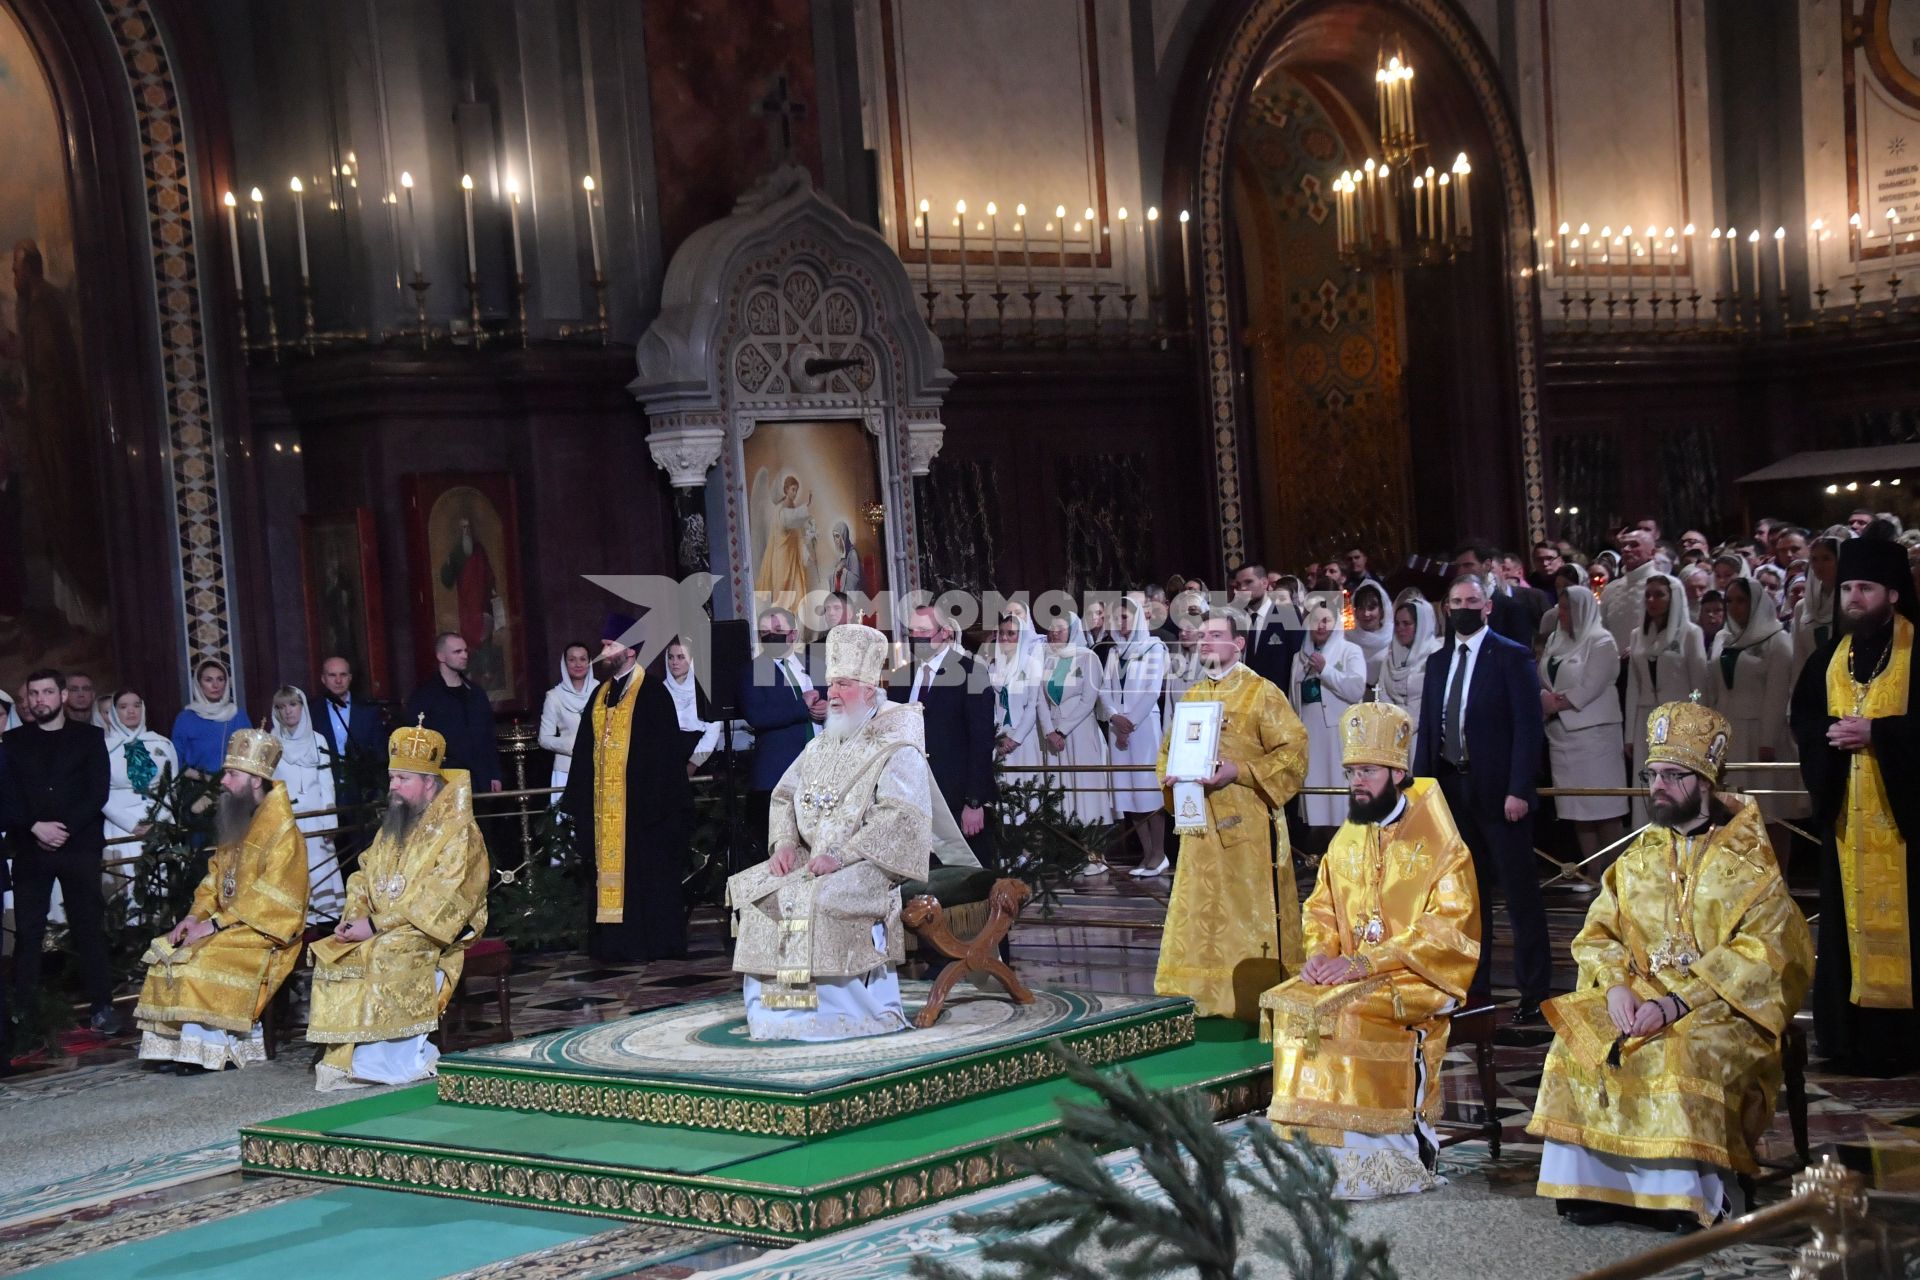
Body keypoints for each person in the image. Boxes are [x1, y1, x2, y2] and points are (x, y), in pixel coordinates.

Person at [1529, 700, 1812, 1229]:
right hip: (1637, 998)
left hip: (1720, 1008)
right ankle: (1597, 1188)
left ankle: (1691, 1192)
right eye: (1652, 774)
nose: (1657, 786)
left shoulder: (1749, 865)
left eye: (1672, 776)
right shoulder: (1639, 857)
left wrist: (1679, 1001)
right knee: (1578, 1040)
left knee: (1680, 1052)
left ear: (1705, 781)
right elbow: (1598, 933)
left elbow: (1771, 952)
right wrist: (1615, 988)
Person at [1262, 701, 1480, 1198]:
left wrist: (1364, 962)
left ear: (1398, 773)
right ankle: (1318, 1155)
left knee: (1349, 1012)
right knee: (1295, 1003)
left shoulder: (1443, 845)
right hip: (1348, 970)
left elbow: (1449, 931)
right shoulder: (1346, 839)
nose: (1357, 782)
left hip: (1417, 976)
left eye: (1368, 771)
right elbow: (1320, 909)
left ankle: (1388, 1157)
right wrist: (1318, 954)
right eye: (1352, 771)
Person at [728, 624, 950, 1040]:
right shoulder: (821, 743)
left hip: (870, 864)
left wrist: (843, 857)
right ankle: (782, 1014)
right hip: (813, 859)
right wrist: (784, 843)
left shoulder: (897, 743)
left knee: (815, 897)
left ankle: (836, 1016)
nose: (832, 693)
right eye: (831, 683)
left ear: (869, 689)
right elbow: (783, 796)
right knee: (758, 890)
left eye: (844, 684)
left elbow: (901, 817)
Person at [1790, 535, 1920, 1074]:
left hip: (1906, 827)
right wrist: (1832, 737)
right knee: (1848, 934)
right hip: (1849, 823)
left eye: (1864, 588)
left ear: (1892, 593)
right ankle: (1851, 1039)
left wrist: (1881, 735)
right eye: (1846, 588)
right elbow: (1804, 721)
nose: (1852, 599)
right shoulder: (1827, 659)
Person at [308, 720, 490, 1089]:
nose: (392, 786)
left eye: (402, 779)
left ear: (428, 782)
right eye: (391, 778)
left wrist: (375, 926)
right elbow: (363, 872)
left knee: (384, 952)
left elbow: (444, 899)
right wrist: (356, 915)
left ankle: (392, 1060)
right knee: (335, 953)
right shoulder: (395, 822)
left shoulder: (459, 831)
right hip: (380, 922)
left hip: (433, 932)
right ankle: (348, 1055)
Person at [1155, 612, 1308, 1020]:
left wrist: (1239, 771)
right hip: (1198, 828)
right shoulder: (1192, 696)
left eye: (1216, 635)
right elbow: (1167, 752)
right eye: (1202, 636)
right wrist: (1171, 779)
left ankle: (1251, 997)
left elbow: (1294, 750)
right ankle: (1199, 997)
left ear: (1238, 644)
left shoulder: (1262, 693)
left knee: (1246, 914)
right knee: (1200, 913)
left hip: (1249, 830)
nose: (1205, 642)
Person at [1414, 573, 1550, 1020]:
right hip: (1453, 791)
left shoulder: (1511, 657)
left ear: (1487, 606)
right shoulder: (1437, 662)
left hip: (1501, 795)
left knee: (1519, 896)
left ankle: (1535, 995)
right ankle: (1477, 989)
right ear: (1446, 608)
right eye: (1455, 601)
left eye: (1472, 600)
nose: (1464, 608)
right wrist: (1422, 792)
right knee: (1468, 900)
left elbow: (1529, 730)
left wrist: (1519, 789)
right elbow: (1429, 728)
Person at [133, 728, 308, 1072]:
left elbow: (276, 899)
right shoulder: (238, 818)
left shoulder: (283, 833)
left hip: (265, 931)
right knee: (169, 951)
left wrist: (215, 924)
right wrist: (195, 918)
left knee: (202, 960)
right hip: (226, 924)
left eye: (231, 774)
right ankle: (177, 1046)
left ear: (256, 781)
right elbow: (215, 877)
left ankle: (214, 1051)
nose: (223, 781)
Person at [561, 614, 698, 961]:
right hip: (606, 811)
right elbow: (583, 751)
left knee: (646, 877)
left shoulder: (651, 693)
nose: (603, 651)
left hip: (642, 811)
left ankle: (651, 943)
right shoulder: (600, 694)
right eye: (605, 644)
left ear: (631, 651)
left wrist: (648, 802)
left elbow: (663, 756)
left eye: (610, 645)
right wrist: (579, 799)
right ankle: (614, 944)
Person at [5, 670, 118, 1032]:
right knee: (29, 933)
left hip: (79, 846)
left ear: (63, 696)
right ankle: (24, 1014)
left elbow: (96, 791)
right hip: (30, 848)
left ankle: (102, 1006)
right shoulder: (12, 741)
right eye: (34, 694)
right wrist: (34, 826)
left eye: (48, 692)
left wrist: (61, 830)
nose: (40, 700)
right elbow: (6, 794)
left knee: (88, 928)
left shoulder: (89, 737)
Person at [892, 603, 997, 865]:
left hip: (956, 797)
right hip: (913, 796)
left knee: (967, 878)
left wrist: (974, 802)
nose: (917, 637)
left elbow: (981, 741)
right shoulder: (901, 677)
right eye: (912, 632)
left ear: (946, 632)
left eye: (924, 630)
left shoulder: (972, 672)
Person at [1540, 586, 1629, 864]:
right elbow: (1542, 674)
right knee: (1577, 810)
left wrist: (1557, 703)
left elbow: (1591, 685)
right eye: (1561, 607)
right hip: (1560, 735)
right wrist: (1544, 698)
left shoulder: (1602, 641)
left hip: (1595, 737)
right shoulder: (1555, 638)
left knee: (1603, 809)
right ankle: (1591, 874)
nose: (1561, 613)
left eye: (1567, 608)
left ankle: (1614, 877)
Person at [1709, 578, 1795, 829]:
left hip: (1761, 734)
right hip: (1728, 733)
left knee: (1770, 811)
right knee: (1732, 811)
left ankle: (1778, 868)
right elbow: (1712, 687)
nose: (1734, 607)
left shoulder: (1777, 640)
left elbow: (1777, 694)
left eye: (1741, 601)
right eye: (1729, 601)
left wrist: (1767, 741)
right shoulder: (1722, 638)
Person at [1626, 574, 1710, 824]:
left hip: (1680, 723)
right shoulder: (1637, 635)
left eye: (1659, 594)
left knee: (1678, 785)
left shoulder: (1690, 634)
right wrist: (1629, 736)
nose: (1652, 600)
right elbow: (1633, 686)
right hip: (1645, 721)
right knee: (1648, 783)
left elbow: (1699, 685)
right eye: (1648, 594)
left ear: (1673, 597)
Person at [742, 608, 825, 859]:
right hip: (779, 773)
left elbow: (837, 697)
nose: (771, 637)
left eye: (777, 631)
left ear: (793, 634)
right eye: (765, 633)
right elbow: (759, 714)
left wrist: (826, 710)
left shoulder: (815, 664)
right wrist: (804, 708)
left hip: (822, 769)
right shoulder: (758, 669)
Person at [1098, 594, 1170, 874]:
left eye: (1125, 616)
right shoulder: (1115, 651)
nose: (1120, 621)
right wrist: (1115, 717)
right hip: (1119, 729)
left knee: (1149, 793)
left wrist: (1130, 722)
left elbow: (1153, 690)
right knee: (1129, 795)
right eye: (1116, 617)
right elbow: (1103, 689)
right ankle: (1147, 854)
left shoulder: (1154, 647)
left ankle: (1159, 854)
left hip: (1143, 729)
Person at [1292, 604, 1367, 836]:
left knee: (1338, 790)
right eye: (1316, 621)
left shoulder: (1350, 651)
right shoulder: (1299, 657)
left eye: (1326, 620)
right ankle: (1317, 847)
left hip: (1337, 734)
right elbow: (1292, 697)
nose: (1320, 626)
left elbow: (1355, 689)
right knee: (1314, 793)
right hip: (1309, 733)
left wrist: (1325, 670)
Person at [269, 686, 343, 920]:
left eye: (292, 704)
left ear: (302, 706)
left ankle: (322, 924)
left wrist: (330, 821)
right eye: (281, 707)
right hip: (287, 821)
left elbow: (326, 783)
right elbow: (269, 786)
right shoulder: (271, 742)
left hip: (316, 821)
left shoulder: (317, 739)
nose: (287, 712)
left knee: (321, 874)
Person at [1038, 614, 1112, 834]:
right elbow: (1040, 699)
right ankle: (1068, 851)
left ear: (1073, 631)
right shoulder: (1048, 660)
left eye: (1059, 629)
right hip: (1054, 735)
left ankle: (1092, 852)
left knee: (1085, 788)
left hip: (1079, 731)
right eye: (1051, 629)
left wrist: (1062, 730)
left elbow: (1088, 700)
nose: (1053, 633)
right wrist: (1049, 731)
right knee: (1062, 791)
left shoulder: (1087, 657)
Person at [404, 633, 502, 793]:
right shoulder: (425, 697)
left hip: (479, 778)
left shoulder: (476, 693)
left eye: (465, 651)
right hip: (444, 780)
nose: (464, 656)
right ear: (441, 656)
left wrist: (494, 774)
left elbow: (488, 737)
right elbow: (418, 742)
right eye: (457, 652)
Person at [985, 612, 1044, 826]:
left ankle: (1031, 855)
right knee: (1003, 795)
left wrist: (1014, 739)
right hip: (999, 739)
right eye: (1001, 633)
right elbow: (990, 706)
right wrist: (998, 736)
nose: (1005, 638)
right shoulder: (992, 666)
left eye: (1011, 634)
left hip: (1024, 740)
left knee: (1027, 796)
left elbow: (1031, 708)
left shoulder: (1031, 665)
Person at [103, 690, 179, 842]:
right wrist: (131, 824)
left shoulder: (162, 743)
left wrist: (163, 818)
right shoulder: (103, 749)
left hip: (162, 820)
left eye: (136, 706)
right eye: (123, 707)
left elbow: (173, 785)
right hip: (121, 825)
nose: (131, 711)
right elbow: (99, 794)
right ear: (113, 712)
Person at [663, 635, 743, 773]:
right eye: (671, 657)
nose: (674, 662)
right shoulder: (661, 690)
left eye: (681, 657)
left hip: (700, 755)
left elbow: (712, 732)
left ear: (692, 659)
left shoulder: (704, 689)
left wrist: (693, 764)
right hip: (669, 754)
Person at [1379, 591, 1443, 763]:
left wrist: (1408, 726)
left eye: (1407, 624)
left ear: (1421, 625)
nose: (1400, 629)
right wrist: (1393, 725)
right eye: (1397, 624)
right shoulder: (1390, 658)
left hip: (1423, 734)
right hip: (1394, 734)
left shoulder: (1436, 656)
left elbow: (1432, 700)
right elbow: (1383, 693)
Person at [538, 641, 598, 799]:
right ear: (564, 664)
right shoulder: (554, 696)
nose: (578, 664)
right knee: (568, 821)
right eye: (572, 660)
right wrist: (573, 744)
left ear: (589, 662)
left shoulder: (602, 691)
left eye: (583, 659)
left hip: (599, 766)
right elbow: (544, 739)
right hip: (567, 769)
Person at [1231, 561, 1302, 687]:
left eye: (1248, 582)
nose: (1242, 588)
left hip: (1278, 698)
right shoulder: (1235, 618)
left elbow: (1298, 662)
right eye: (1238, 585)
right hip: (1243, 698)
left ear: (1264, 583)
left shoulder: (1288, 614)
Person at [170, 659, 245, 777]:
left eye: (220, 679)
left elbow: (249, 757)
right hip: (196, 787)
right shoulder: (185, 719)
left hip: (233, 786)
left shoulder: (237, 715)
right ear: (199, 684)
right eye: (208, 680)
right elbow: (175, 760)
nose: (215, 685)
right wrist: (204, 779)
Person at [1451, 543, 1534, 646]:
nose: (1461, 571)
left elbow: (1520, 654)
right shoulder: (1454, 606)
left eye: (1468, 565)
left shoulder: (1512, 607)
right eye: (1458, 566)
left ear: (1487, 565)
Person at [314, 656, 384, 764]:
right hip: (324, 777)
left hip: (361, 778)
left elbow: (380, 753)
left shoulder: (369, 711)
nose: (338, 680)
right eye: (332, 675)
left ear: (350, 678)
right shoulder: (312, 711)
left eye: (343, 675)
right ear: (323, 679)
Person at [1791, 535, 1840, 683]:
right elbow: (1799, 657)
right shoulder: (1802, 608)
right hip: (1813, 687)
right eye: (1814, 559)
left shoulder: (1853, 605)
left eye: (1826, 558)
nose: (1820, 565)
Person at [1345, 582, 1392, 689]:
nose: (1366, 614)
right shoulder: (1347, 637)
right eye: (1361, 608)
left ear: (1381, 609)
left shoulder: (1393, 638)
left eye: (1371, 608)